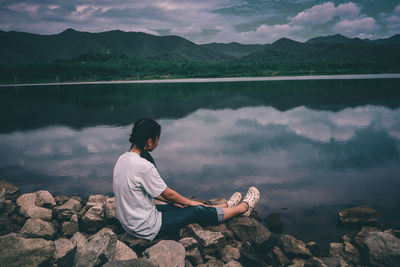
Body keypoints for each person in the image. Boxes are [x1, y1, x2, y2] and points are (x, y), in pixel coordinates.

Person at [113, 118, 260, 241]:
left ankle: (224, 206)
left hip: (131, 222)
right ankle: (243, 208)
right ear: (150, 141)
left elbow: (150, 193)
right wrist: (189, 202)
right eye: (158, 138)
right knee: (196, 211)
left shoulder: (123, 159)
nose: (158, 142)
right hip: (146, 228)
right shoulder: (143, 165)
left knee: (179, 205)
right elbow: (167, 194)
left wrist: (177, 202)